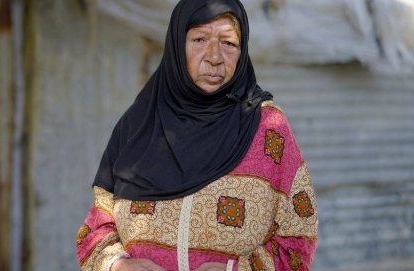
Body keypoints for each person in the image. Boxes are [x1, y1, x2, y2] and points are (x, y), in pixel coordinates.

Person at [76, 0, 318, 270]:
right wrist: (116, 265)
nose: (214, 57)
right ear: (177, 46)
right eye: (199, 39)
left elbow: (299, 236)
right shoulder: (138, 125)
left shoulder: (267, 128)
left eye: (228, 43)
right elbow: (96, 228)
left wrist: (240, 270)